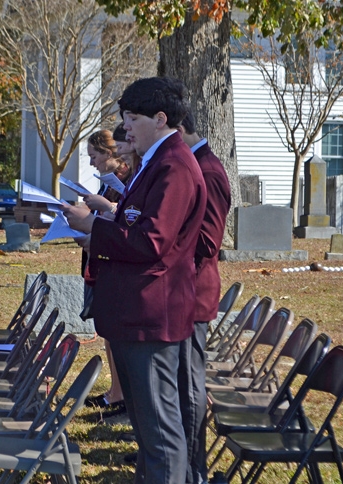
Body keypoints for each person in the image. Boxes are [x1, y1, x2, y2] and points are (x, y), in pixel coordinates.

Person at [62, 76, 206, 484]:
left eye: (132, 117)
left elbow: (153, 241)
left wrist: (94, 226)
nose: (125, 126)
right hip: (134, 312)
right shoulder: (156, 161)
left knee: (160, 434)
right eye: (124, 116)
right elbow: (137, 224)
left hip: (151, 316)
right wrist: (101, 225)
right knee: (148, 431)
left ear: (160, 119)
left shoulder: (174, 165)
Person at [177, 112, 232, 484]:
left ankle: (194, 468)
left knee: (191, 384)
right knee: (182, 382)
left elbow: (209, 240)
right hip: (182, 290)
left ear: (178, 130)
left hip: (194, 292)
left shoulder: (208, 170)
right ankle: (185, 462)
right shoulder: (195, 164)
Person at [78, 128, 130, 415]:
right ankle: (115, 390)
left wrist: (106, 207)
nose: (91, 162)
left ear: (110, 153)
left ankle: (120, 394)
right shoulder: (108, 182)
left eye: (95, 156)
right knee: (107, 332)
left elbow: (125, 217)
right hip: (100, 256)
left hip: (114, 260)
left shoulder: (125, 180)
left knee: (114, 333)